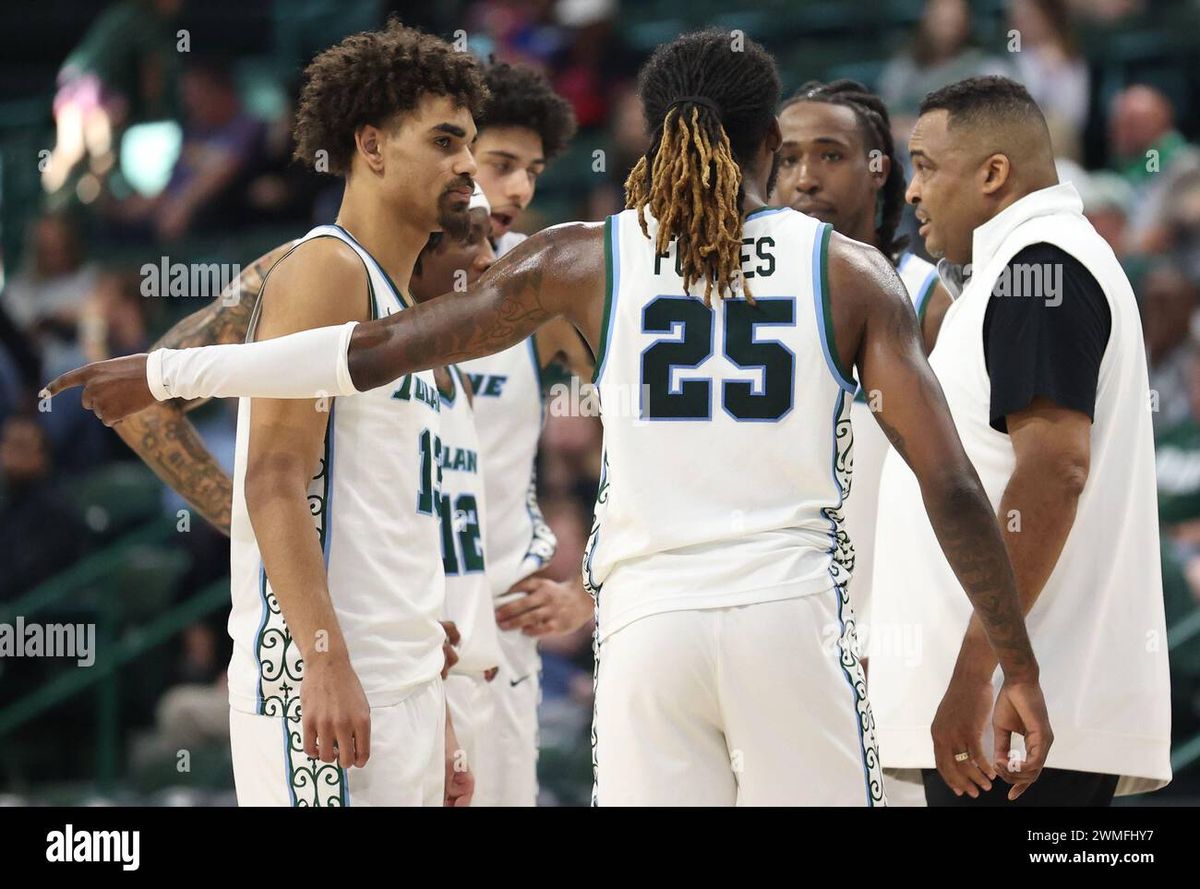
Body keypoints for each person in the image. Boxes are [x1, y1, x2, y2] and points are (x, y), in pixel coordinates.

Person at [48, 29, 1053, 807]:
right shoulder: (849, 271)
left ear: (648, 135)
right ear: (766, 146)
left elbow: (374, 352)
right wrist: (1013, 657)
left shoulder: (581, 257)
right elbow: (954, 485)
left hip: (646, 634)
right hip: (787, 617)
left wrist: (179, 363)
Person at [873, 75, 1172, 805]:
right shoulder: (1028, 268)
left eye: (926, 165)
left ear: (994, 173)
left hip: (1012, 724)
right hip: (1016, 716)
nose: (911, 191)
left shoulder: (1039, 269)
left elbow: (1053, 472)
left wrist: (983, 671)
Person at [771, 79, 951, 806]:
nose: (804, 176)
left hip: (891, 642)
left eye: (829, 155)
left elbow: (969, 479)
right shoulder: (743, 295)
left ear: (881, 170)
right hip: (773, 630)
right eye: (785, 158)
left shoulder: (928, 294)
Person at [461, 59, 593, 805]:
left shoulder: (543, 280)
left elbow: (653, 430)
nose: (519, 189)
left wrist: (593, 585)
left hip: (505, 625)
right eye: (500, 164)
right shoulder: (349, 272)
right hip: (387, 624)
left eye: (532, 171)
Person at [408, 190, 504, 803]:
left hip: (473, 678)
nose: (491, 258)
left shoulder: (459, 379)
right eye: (471, 239)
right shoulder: (385, 376)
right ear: (418, 251)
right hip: (420, 680)